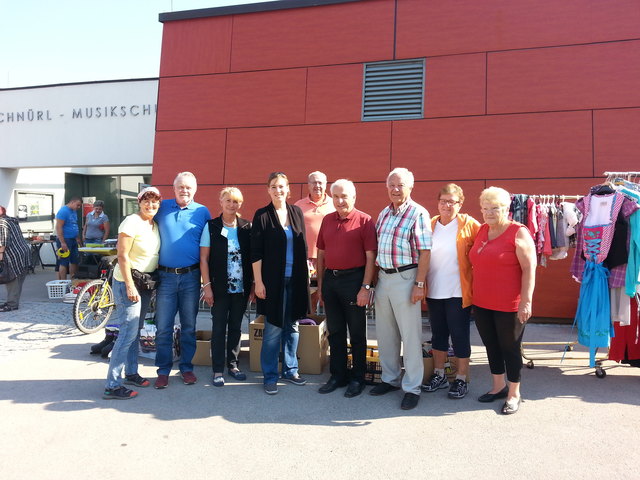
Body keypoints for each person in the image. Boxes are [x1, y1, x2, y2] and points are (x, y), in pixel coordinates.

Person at [469, 186, 536, 415]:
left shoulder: (518, 232)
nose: (488, 212)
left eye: (494, 208)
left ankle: (514, 393)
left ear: (507, 208)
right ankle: (498, 386)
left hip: (510, 305)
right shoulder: (482, 230)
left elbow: (529, 269)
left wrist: (526, 302)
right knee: (491, 345)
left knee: (510, 348)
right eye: (485, 208)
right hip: (482, 302)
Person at [371, 168, 431, 410]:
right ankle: (390, 378)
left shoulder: (419, 213)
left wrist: (419, 283)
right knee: (385, 334)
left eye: (401, 185)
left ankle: (412, 387)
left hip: (406, 277)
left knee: (410, 335)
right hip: (384, 278)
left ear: (410, 187)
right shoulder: (384, 213)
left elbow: (426, 251)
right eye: (392, 185)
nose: (396, 189)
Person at [316, 179, 377, 398]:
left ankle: (358, 377)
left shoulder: (365, 221)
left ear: (354, 197)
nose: (340, 201)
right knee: (336, 331)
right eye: (336, 196)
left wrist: (365, 287)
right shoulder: (327, 220)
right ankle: (338, 375)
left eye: (345, 196)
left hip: (354, 281)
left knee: (357, 333)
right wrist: (322, 285)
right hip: (331, 280)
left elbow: (371, 257)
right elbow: (321, 253)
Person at [251, 172, 309, 395]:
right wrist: (258, 282)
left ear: (288, 189)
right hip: (272, 281)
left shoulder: (296, 212)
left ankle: (291, 370)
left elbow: (302, 245)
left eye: (282, 186)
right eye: (274, 186)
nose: (278, 190)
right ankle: (270, 375)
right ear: (268, 190)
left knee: (293, 326)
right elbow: (255, 252)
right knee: (273, 328)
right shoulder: (262, 215)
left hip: (295, 278)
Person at [103, 187, 162, 399]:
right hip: (128, 282)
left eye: (155, 202)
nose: (151, 205)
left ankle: (131, 372)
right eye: (147, 201)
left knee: (135, 330)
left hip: (144, 282)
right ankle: (112, 385)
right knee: (127, 333)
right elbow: (122, 255)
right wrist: (129, 285)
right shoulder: (131, 222)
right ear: (139, 202)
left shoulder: (153, 224)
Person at [154, 172, 211, 389]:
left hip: (191, 277)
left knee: (189, 326)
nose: (184, 190)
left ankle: (186, 368)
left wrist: (207, 283)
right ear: (174, 188)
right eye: (180, 187)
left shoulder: (202, 211)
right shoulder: (161, 208)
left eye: (188, 187)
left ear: (194, 189)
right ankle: (163, 370)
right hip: (166, 277)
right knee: (163, 327)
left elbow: (209, 245)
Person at [423, 184, 480, 399]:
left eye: (452, 202)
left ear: (460, 204)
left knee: (459, 335)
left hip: (458, 291)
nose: (447, 205)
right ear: (438, 203)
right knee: (438, 335)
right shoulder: (430, 225)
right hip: (434, 290)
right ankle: (439, 374)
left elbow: (484, 246)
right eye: (443, 201)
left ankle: (461, 378)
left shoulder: (469, 224)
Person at [200, 187, 253, 387]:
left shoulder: (247, 227)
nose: (232, 205)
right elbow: (204, 259)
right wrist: (207, 287)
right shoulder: (211, 226)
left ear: (240, 204)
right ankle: (217, 369)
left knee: (236, 328)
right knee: (219, 327)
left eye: (236, 201)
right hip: (219, 288)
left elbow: (253, 258)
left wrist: (254, 285)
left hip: (241, 288)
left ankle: (233, 365)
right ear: (221, 202)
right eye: (228, 200)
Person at [294, 171, 335, 310]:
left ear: (326, 184)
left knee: (328, 294)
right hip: (307, 259)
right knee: (308, 295)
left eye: (320, 182)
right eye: (314, 182)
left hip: (328, 259)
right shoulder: (298, 205)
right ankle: (308, 326)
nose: (317, 185)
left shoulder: (334, 203)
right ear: (308, 185)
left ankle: (328, 329)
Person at [0, 206, 32, 312]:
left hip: (13, 255)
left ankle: (12, 304)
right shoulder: (12, 220)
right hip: (23, 251)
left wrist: (0, 257)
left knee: (12, 279)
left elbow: (3, 242)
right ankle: (12, 302)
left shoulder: (2, 223)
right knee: (18, 279)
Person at [55, 196, 82, 280]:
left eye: (80, 206)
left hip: (73, 239)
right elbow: (59, 227)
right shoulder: (63, 211)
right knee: (64, 262)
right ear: (72, 202)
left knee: (74, 261)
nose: (78, 207)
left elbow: (74, 224)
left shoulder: (74, 211)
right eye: (77, 205)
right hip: (65, 239)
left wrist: (78, 238)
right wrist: (62, 242)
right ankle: (63, 282)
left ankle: (72, 281)